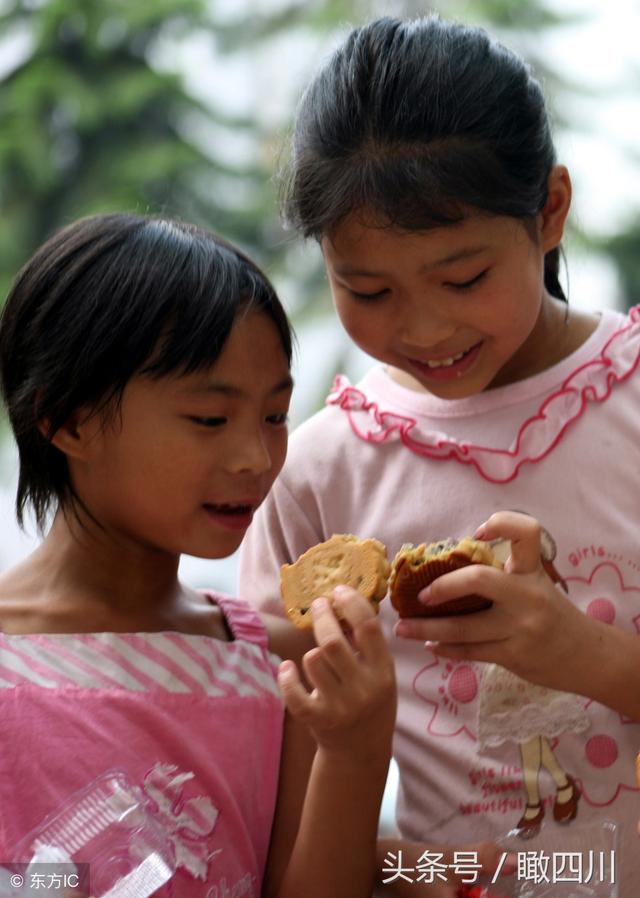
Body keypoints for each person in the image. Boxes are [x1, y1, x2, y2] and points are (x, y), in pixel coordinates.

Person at [237, 14, 640, 896]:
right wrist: (420, 867)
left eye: (464, 279)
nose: (421, 329)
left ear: (550, 213)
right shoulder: (317, 475)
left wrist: (591, 659)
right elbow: (290, 859)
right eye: (368, 289)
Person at [0, 212, 397, 898]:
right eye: (210, 419)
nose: (256, 458)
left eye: (275, 416)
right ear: (68, 420)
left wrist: (356, 750)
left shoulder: (283, 665)